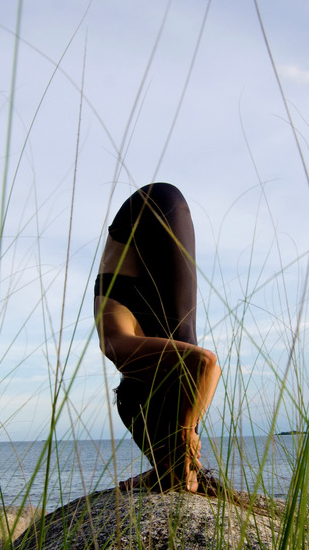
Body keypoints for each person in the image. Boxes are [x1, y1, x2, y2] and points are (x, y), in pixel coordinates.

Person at [94, 183, 222, 493]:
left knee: (184, 347)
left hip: (149, 208)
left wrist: (186, 434)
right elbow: (206, 368)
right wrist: (186, 436)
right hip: (143, 279)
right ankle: (166, 469)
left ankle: (169, 465)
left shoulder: (118, 348)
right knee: (184, 370)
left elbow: (206, 364)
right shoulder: (150, 361)